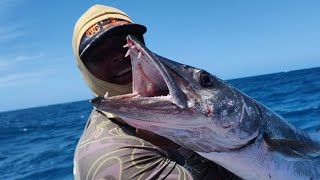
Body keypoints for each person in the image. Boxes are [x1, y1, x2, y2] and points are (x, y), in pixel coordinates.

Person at [72, 4, 239, 180]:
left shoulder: (170, 99)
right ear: (84, 70)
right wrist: (185, 148)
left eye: (125, 42)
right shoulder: (116, 159)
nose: (118, 56)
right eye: (99, 55)